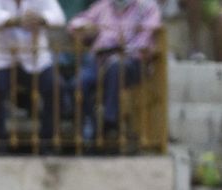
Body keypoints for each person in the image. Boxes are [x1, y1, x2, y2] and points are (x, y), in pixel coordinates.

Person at [67, 0, 162, 145]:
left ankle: (109, 122)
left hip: (132, 61)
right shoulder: (103, 6)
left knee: (117, 67)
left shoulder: (147, 7)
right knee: (78, 83)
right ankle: (92, 126)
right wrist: (86, 27)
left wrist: (122, 47)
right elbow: (74, 24)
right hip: (101, 60)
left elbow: (145, 39)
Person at [0, 0, 66, 148]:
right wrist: (16, 20)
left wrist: (41, 19)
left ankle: (47, 141)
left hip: (35, 60)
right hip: (0, 59)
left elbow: (59, 17)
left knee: (56, 86)